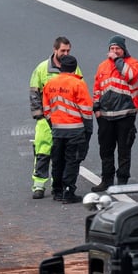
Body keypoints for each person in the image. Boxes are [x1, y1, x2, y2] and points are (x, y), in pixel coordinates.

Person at [29, 37, 78, 199]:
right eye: (63, 50)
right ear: (55, 50)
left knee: (62, 153)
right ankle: (39, 185)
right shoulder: (42, 68)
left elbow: (79, 90)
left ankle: (58, 185)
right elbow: (34, 92)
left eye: (68, 51)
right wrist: (39, 116)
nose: (66, 54)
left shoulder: (74, 67)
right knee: (42, 151)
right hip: (46, 119)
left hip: (65, 120)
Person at [91, 35, 138, 191]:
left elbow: (130, 76)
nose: (114, 51)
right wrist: (96, 108)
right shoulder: (102, 66)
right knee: (105, 150)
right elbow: (97, 87)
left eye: (117, 48)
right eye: (111, 48)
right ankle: (106, 180)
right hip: (106, 116)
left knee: (124, 150)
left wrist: (117, 60)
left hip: (125, 114)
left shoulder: (133, 63)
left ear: (123, 50)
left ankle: (122, 180)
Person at [42, 54, 93, 203]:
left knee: (58, 161)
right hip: (75, 130)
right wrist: (88, 129)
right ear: (74, 69)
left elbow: (46, 109)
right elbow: (86, 109)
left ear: (60, 67)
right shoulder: (78, 84)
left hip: (57, 130)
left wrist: (53, 124)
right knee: (72, 161)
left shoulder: (50, 84)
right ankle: (68, 192)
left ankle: (57, 191)